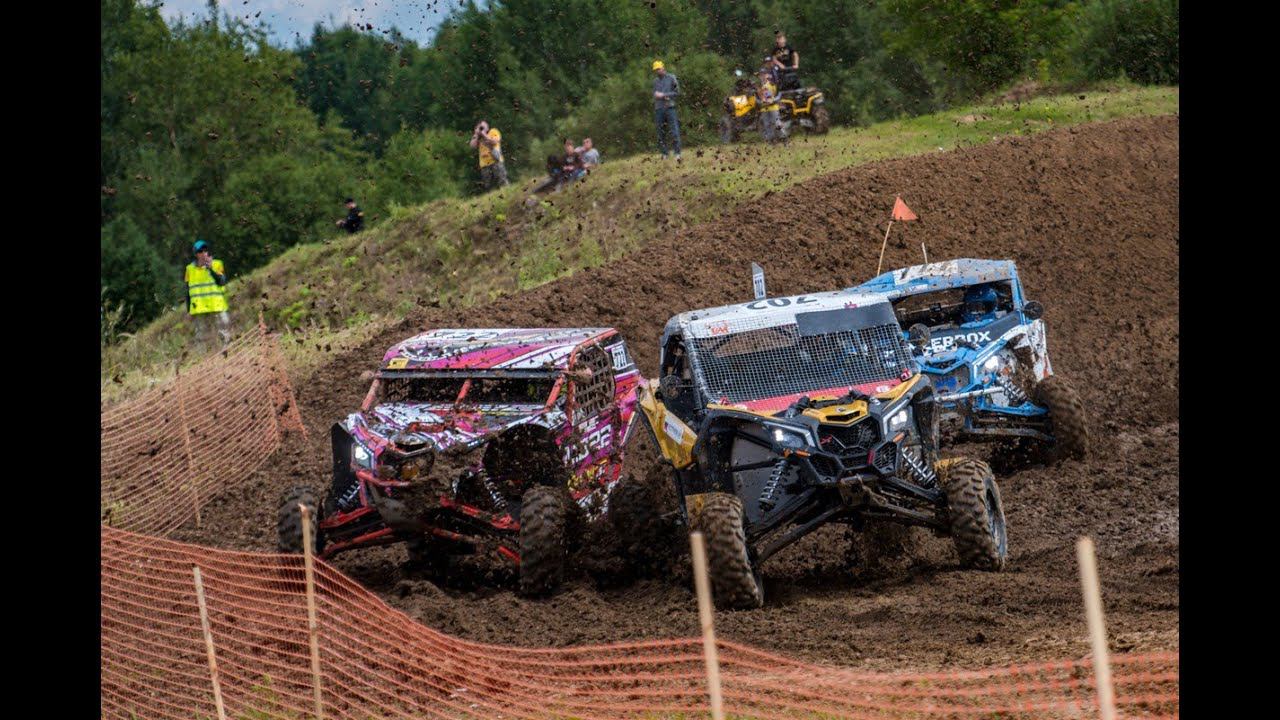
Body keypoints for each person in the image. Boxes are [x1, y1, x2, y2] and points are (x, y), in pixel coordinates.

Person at [185, 239, 231, 353]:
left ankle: (226, 350)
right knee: (201, 333)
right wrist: (188, 310)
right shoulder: (189, 269)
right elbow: (188, 291)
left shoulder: (217, 264)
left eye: (205, 250)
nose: (204, 253)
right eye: (200, 251)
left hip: (216, 304)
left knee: (225, 324)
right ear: (196, 254)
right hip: (199, 307)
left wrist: (210, 269)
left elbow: (222, 281)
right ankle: (203, 356)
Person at [651, 60, 681, 160]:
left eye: (658, 69)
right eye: (656, 70)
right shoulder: (655, 81)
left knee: (674, 131)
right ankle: (664, 154)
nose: (657, 71)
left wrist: (664, 95)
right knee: (660, 133)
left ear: (663, 68)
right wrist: (656, 96)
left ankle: (677, 153)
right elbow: (654, 94)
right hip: (659, 108)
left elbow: (677, 92)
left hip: (670, 108)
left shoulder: (671, 78)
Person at [469, 119, 509, 191]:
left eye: (483, 127)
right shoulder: (478, 137)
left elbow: (494, 141)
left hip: (496, 161)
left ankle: (508, 194)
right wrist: (476, 135)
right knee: (488, 186)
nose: (482, 129)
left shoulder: (493, 131)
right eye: (480, 127)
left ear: (487, 126)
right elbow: (472, 146)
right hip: (484, 165)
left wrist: (484, 134)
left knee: (502, 181)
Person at [757, 70, 782, 144]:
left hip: (773, 107)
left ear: (767, 75)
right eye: (760, 75)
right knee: (767, 125)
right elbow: (756, 99)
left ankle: (783, 138)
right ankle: (771, 140)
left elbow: (779, 94)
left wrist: (773, 100)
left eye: (763, 75)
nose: (761, 76)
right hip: (764, 109)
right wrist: (760, 102)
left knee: (777, 123)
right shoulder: (758, 87)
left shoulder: (772, 84)